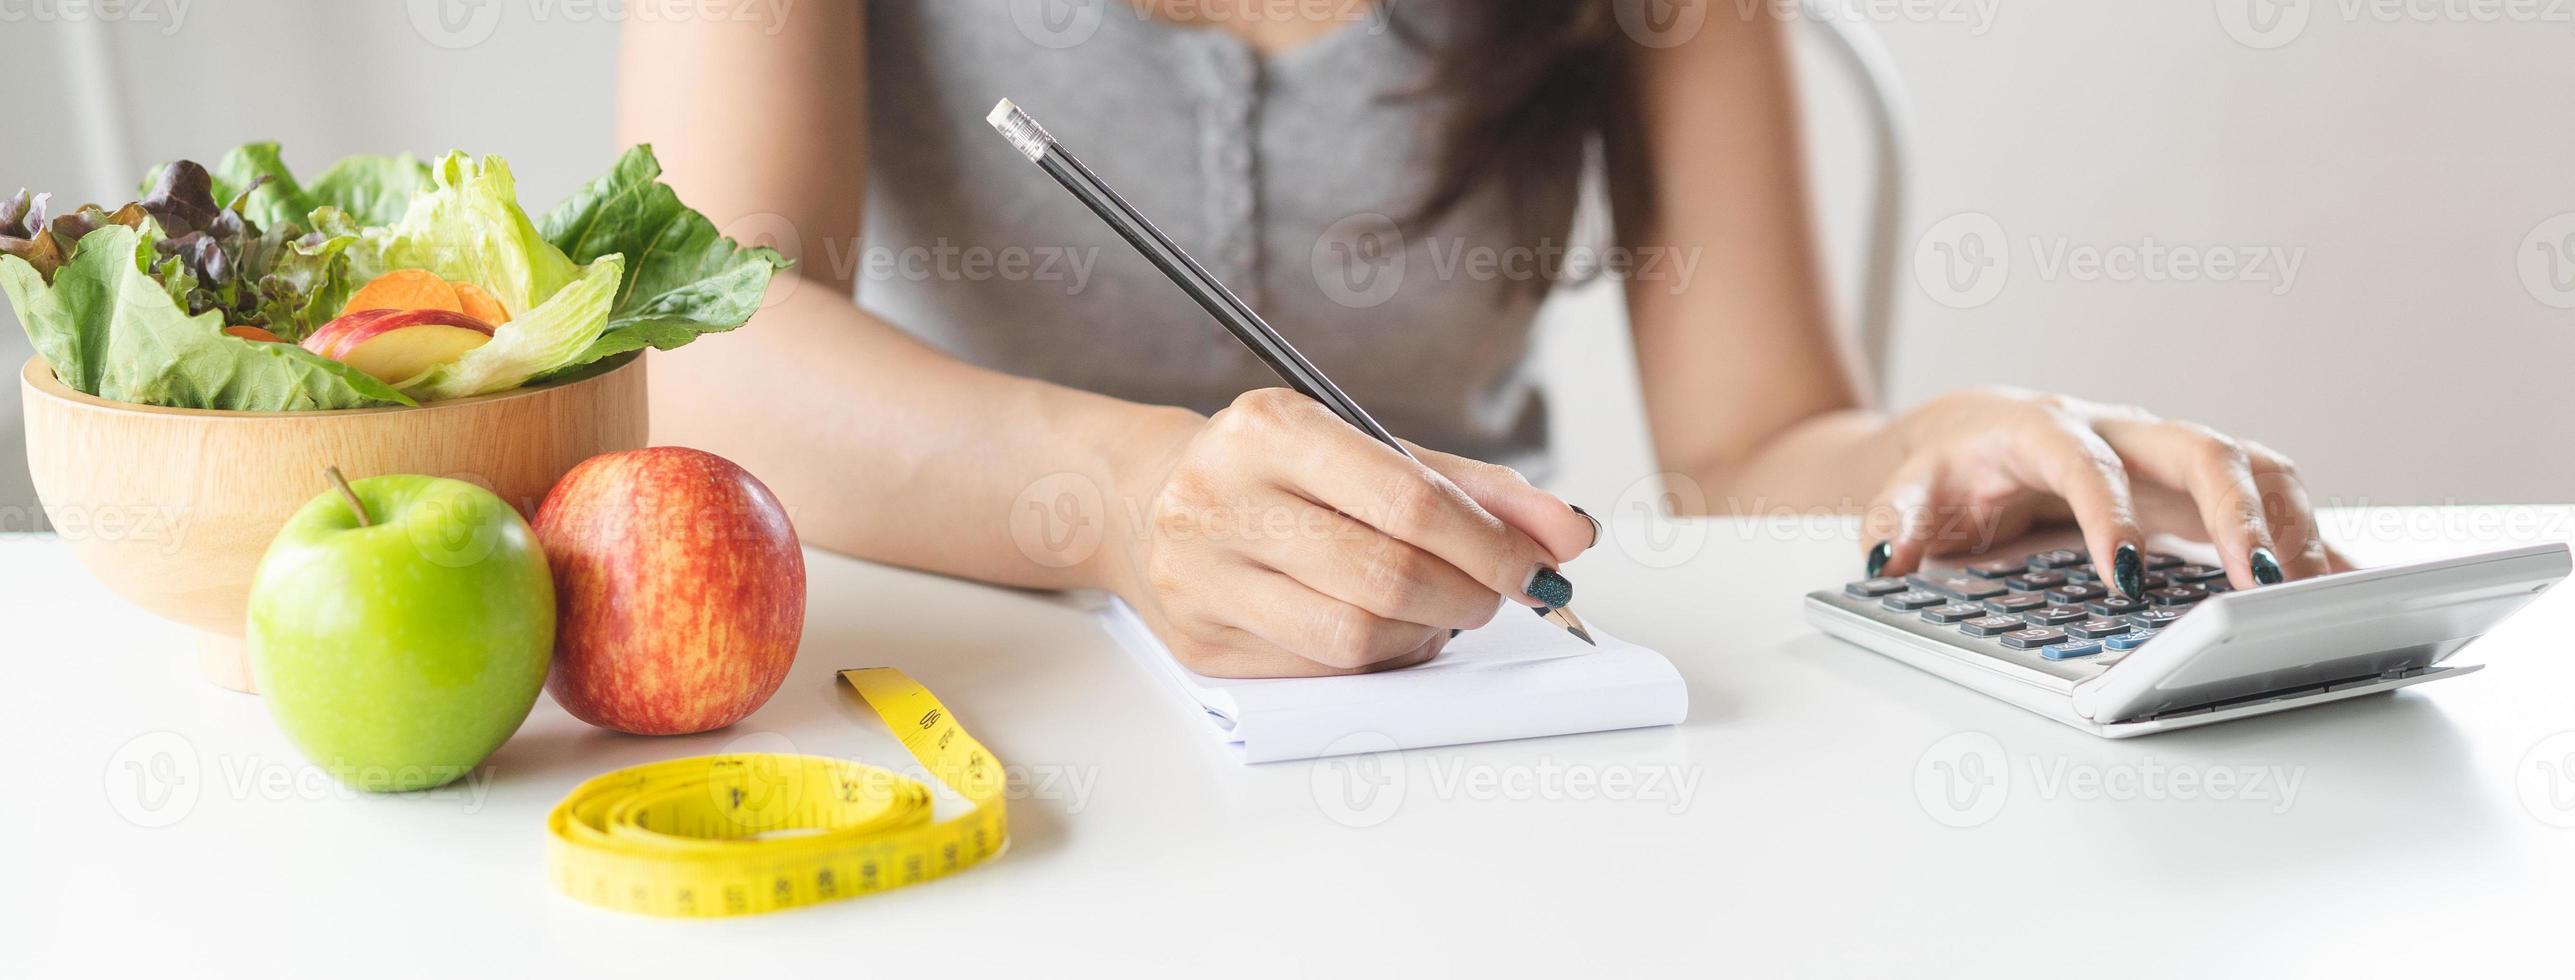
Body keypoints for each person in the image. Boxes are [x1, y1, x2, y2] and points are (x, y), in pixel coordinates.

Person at [618, 1, 2334, 678]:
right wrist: (1137, 503)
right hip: (965, 679)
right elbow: (705, 336)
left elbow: (1749, 452)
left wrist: (1925, 460)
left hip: (1458, 684)